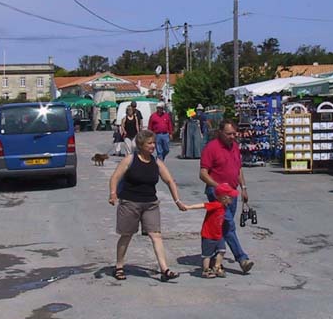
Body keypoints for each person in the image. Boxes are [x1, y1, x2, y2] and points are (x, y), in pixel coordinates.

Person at [108, 129, 182, 282]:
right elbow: (115, 177)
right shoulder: (130, 159)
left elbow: (170, 181)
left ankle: (164, 269)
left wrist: (177, 201)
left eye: (154, 143)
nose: (153, 146)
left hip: (150, 204)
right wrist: (113, 193)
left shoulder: (156, 162)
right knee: (126, 235)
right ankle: (119, 266)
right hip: (130, 202)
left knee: (156, 235)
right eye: (150, 143)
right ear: (141, 145)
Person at [200, 118, 254, 274]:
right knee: (228, 225)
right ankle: (242, 258)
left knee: (222, 226)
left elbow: (238, 170)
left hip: (233, 192)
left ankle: (215, 259)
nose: (232, 137)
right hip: (217, 193)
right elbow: (202, 174)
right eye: (229, 134)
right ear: (220, 133)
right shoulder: (211, 148)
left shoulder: (235, 147)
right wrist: (218, 186)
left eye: (234, 134)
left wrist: (243, 187)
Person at [180, 182, 236, 278]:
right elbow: (203, 205)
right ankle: (206, 270)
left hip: (218, 234)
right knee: (207, 255)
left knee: (222, 250)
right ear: (223, 197)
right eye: (230, 196)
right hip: (208, 235)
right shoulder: (216, 205)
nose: (232, 198)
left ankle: (216, 267)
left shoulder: (224, 207)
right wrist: (188, 207)